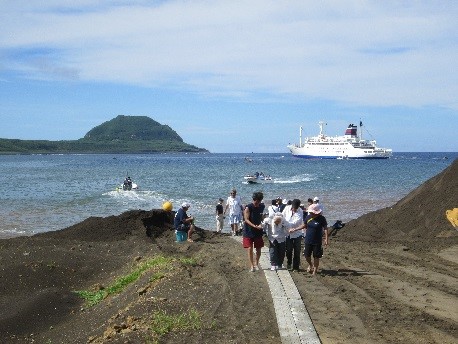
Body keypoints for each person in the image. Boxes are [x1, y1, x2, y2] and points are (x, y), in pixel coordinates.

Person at [243, 191, 265, 272]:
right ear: (253, 199)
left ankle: (256, 263)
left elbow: (262, 216)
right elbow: (246, 219)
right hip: (249, 230)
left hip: (258, 230)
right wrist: (254, 226)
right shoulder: (248, 207)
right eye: (256, 201)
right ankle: (252, 265)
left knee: (258, 249)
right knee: (249, 248)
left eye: (259, 201)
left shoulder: (261, 206)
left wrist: (262, 224)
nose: (257, 203)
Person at [304, 203, 328, 275]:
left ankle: (315, 270)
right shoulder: (308, 217)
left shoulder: (322, 219)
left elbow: (325, 228)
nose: (311, 213)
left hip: (317, 241)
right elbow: (304, 225)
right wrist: (295, 229)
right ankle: (310, 265)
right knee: (307, 255)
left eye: (312, 212)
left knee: (316, 256)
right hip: (308, 239)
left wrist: (326, 239)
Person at [283, 198, 305, 272]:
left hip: (297, 233)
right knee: (288, 249)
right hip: (288, 233)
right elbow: (282, 217)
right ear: (292, 206)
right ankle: (289, 263)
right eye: (293, 208)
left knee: (297, 250)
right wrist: (287, 227)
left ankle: (296, 267)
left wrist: (292, 228)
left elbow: (297, 221)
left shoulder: (300, 211)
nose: (294, 210)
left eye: (296, 209)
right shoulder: (286, 208)